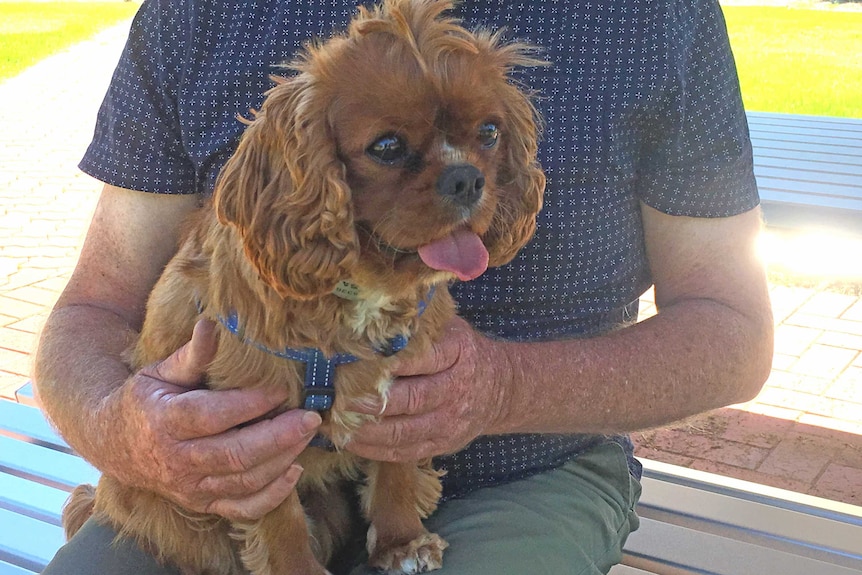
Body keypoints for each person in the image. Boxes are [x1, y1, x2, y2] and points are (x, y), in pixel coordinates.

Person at [35, 0, 774, 573]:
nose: (463, 173)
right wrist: (123, 433)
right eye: (389, 149)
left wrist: (505, 388)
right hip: (217, 488)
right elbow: (93, 310)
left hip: (522, 471)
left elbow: (735, 333)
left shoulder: (653, 19)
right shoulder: (200, 15)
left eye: (485, 138)